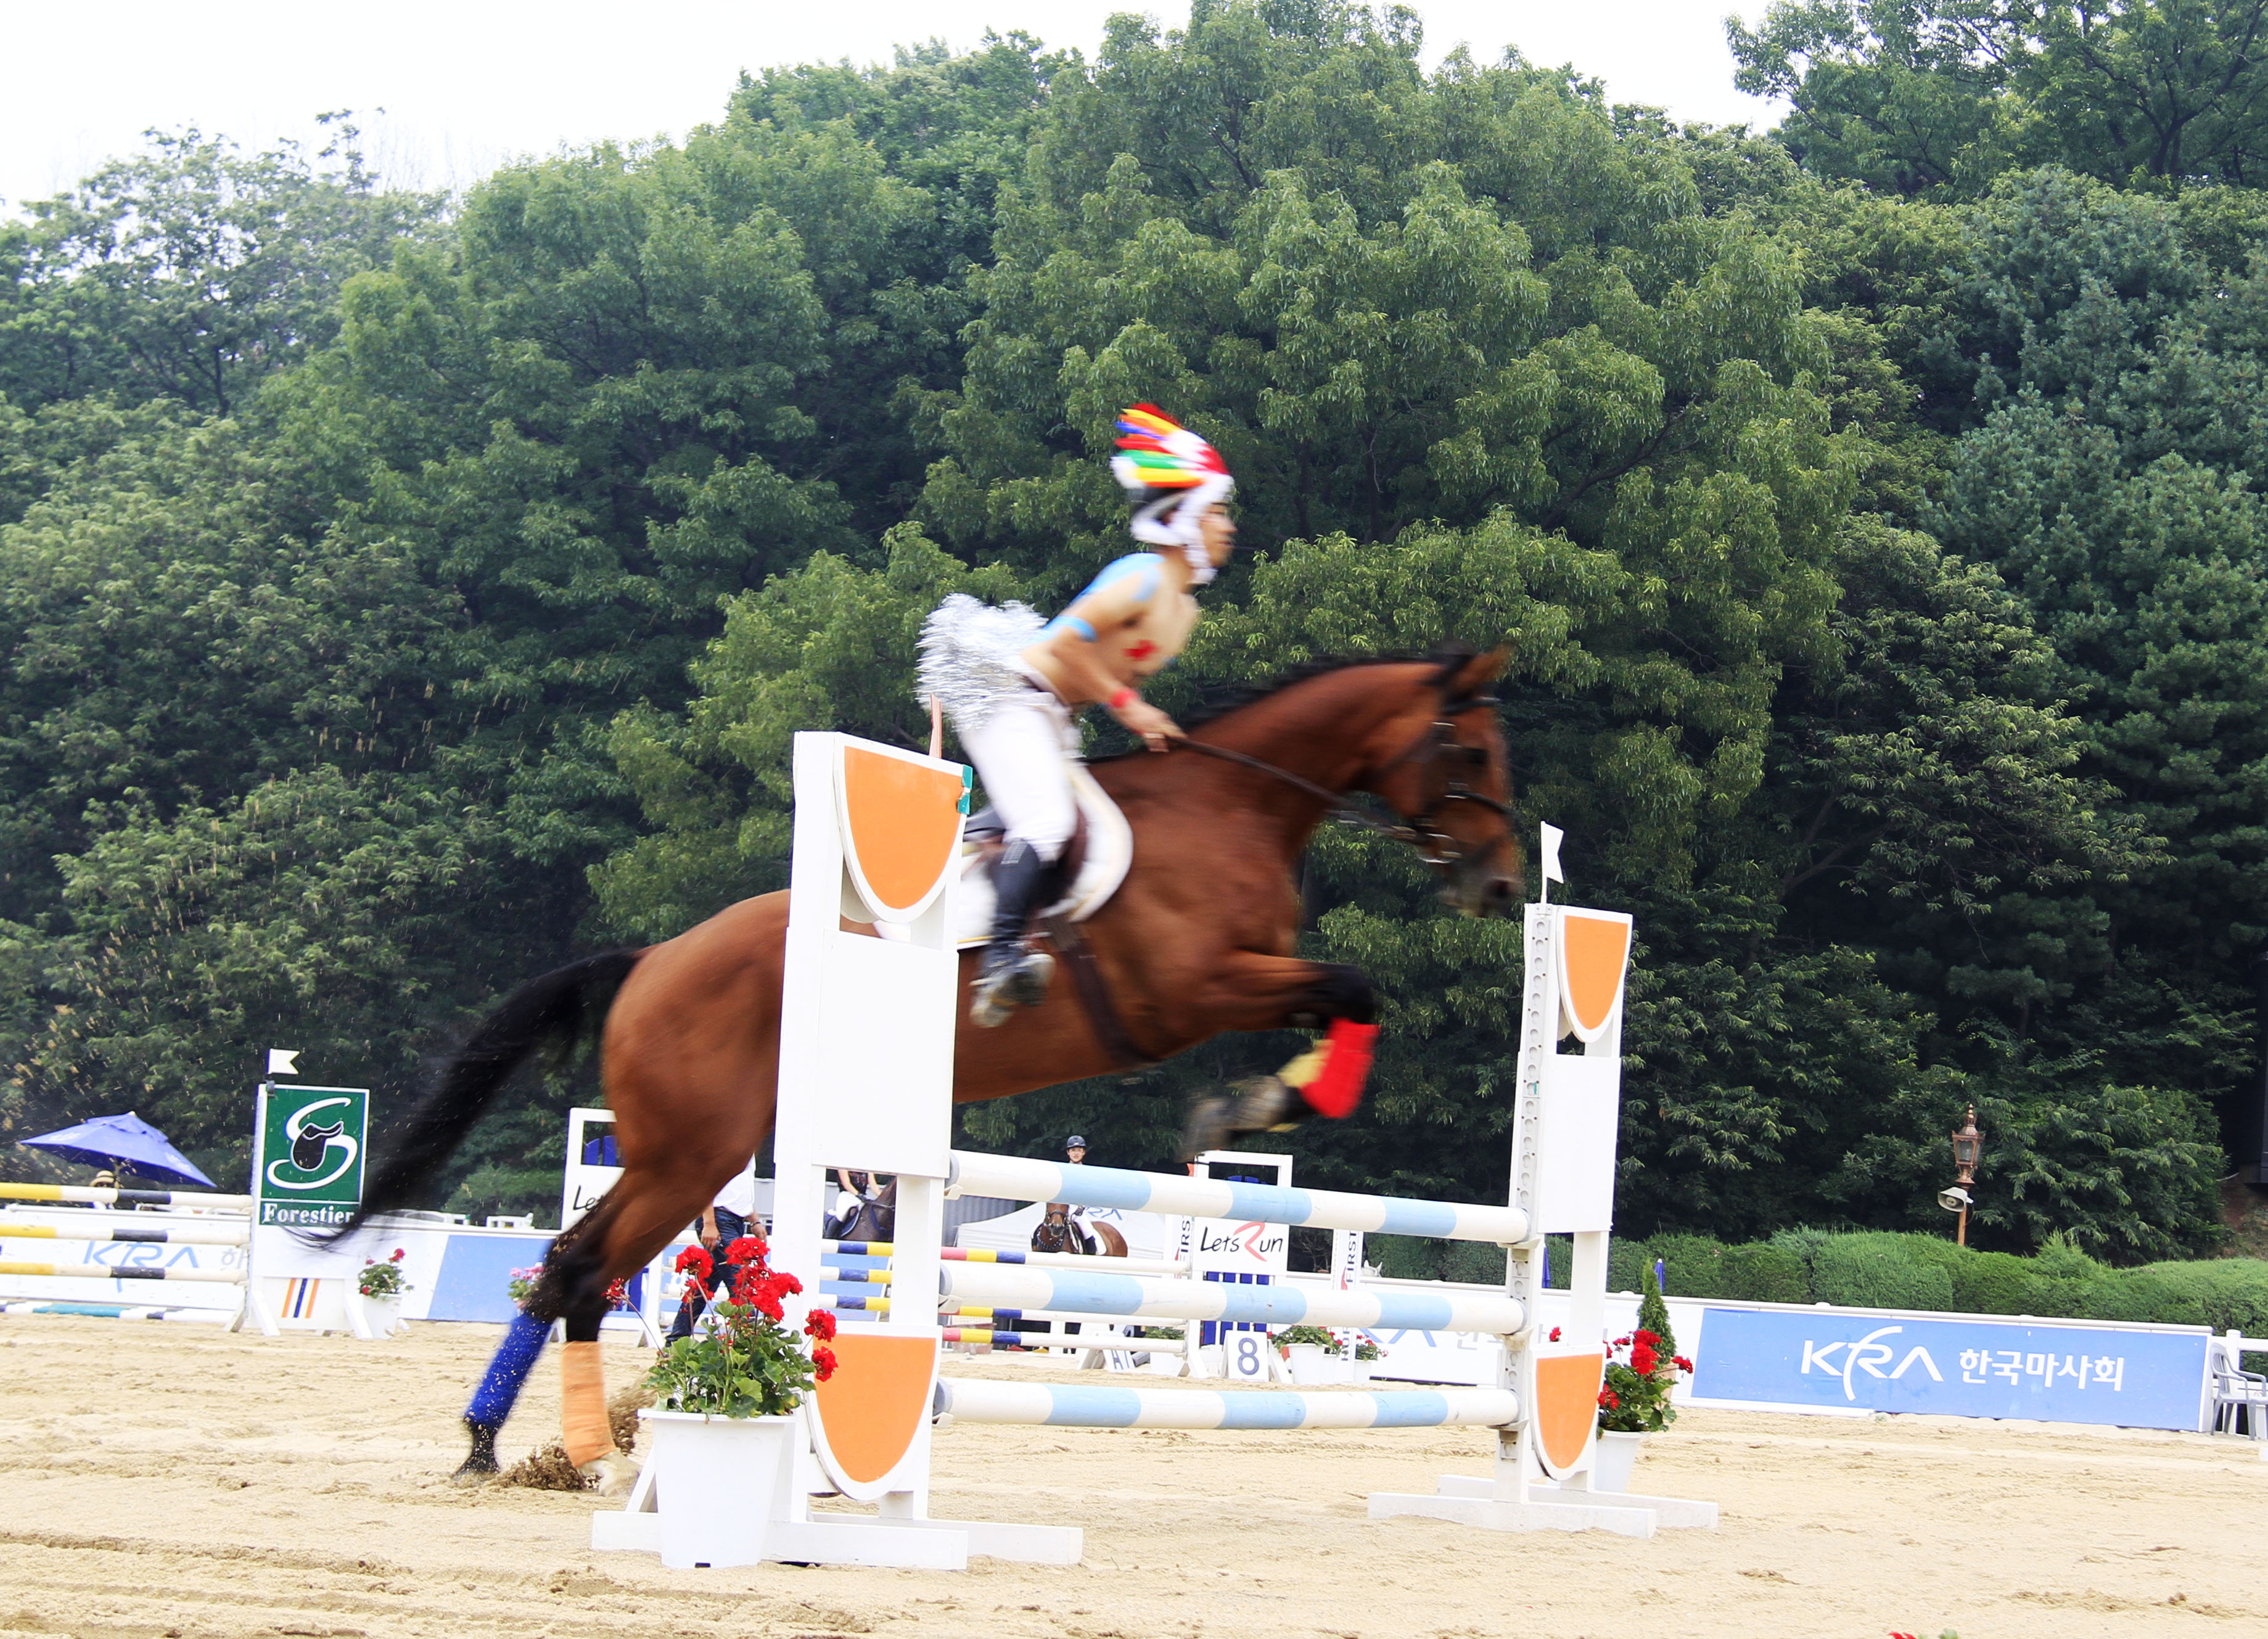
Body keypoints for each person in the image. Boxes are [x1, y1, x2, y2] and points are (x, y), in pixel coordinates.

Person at [919, 405, 1237, 1028]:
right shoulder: (1143, 579)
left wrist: (1151, 724)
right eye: (1217, 512)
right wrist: (1130, 707)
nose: (1228, 527)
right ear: (1185, 517)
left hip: (1052, 715)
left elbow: (1109, 676)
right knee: (1049, 821)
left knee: (1084, 818)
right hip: (1010, 696)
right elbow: (1067, 646)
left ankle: (983, 843)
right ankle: (1000, 959)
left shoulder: (1185, 614)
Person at [667, 1155, 758, 1341]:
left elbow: (742, 1187)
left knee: (705, 1285)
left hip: (733, 1220)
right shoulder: (727, 1144)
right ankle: (748, 1342)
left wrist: (754, 1220)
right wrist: (709, 1222)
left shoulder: (744, 1145)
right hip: (720, 1219)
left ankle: (676, 1340)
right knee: (740, 1282)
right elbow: (705, 1179)